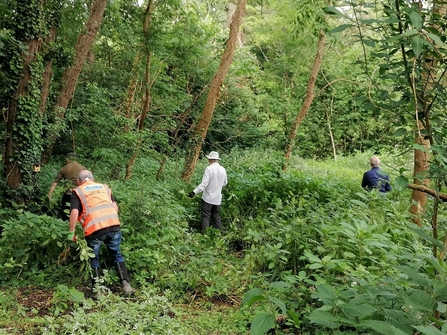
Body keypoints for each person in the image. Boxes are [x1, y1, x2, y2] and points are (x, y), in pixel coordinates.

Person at [68, 170, 135, 295]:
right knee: (116, 254)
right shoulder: (104, 187)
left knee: (94, 258)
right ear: (93, 179)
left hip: (94, 228)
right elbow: (115, 207)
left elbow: (74, 212)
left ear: (79, 181)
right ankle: (127, 286)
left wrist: (71, 232)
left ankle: (98, 291)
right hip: (113, 223)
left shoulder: (78, 191)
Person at [189, 151, 228, 233]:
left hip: (207, 198)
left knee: (206, 216)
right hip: (217, 199)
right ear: (217, 160)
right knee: (216, 216)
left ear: (210, 159)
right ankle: (219, 234)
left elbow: (204, 184)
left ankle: (205, 235)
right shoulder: (223, 169)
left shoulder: (209, 169)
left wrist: (194, 192)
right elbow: (225, 183)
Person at [48, 153, 86, 221]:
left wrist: (49, 195)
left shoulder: (64, 169)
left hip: (68, 194)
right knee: (79, 213)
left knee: (66, 213)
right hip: (80, 194)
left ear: (68, 159)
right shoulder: (82, 168)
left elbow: (55, 183)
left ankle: (65, 227)